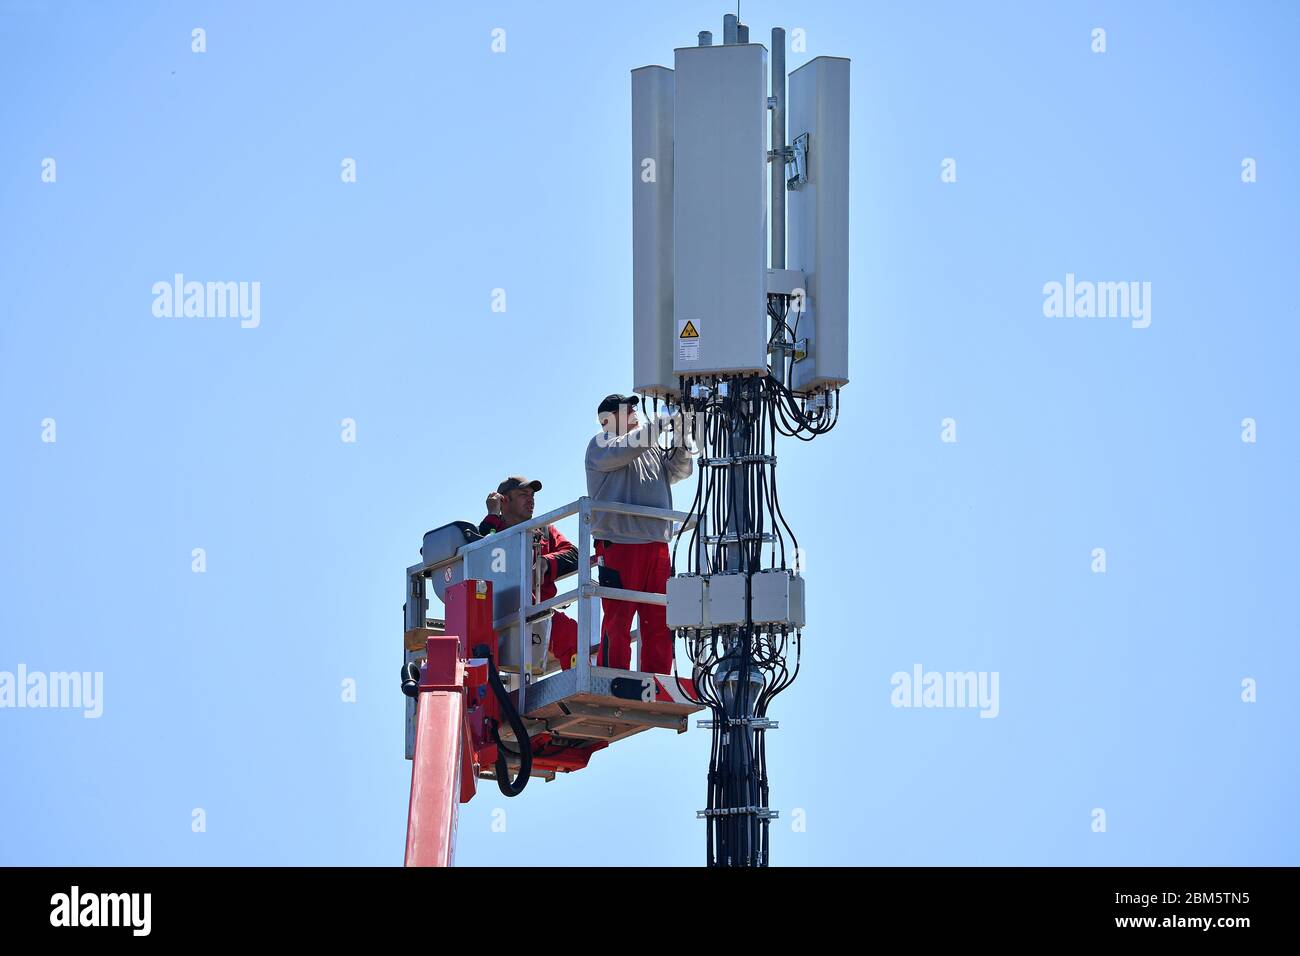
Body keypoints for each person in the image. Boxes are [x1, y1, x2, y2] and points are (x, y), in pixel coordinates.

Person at [584, 393, 694, 674]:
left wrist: (684, 434)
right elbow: (626, 449)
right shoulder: (600, 445)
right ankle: (612, 675)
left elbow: (679, 470)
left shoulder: (647, 446)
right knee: (619, 617)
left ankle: (658, 677)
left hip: (656, 545)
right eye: (628, 409)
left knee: (658, 617)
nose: (635, 411)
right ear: (608, 418)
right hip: (620, 545)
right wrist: (661, 424)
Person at [478, 476, 581, 670]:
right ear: (504, 500)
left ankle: (579, 695)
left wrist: (546, 562)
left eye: (532, 495)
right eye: (523, 494)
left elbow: (573, 553)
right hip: (494, 615)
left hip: (537, 612)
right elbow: (479, 548)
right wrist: (492, 514)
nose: (531, 499)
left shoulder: (542, 529)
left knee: (574, 635)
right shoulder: (490, 528)